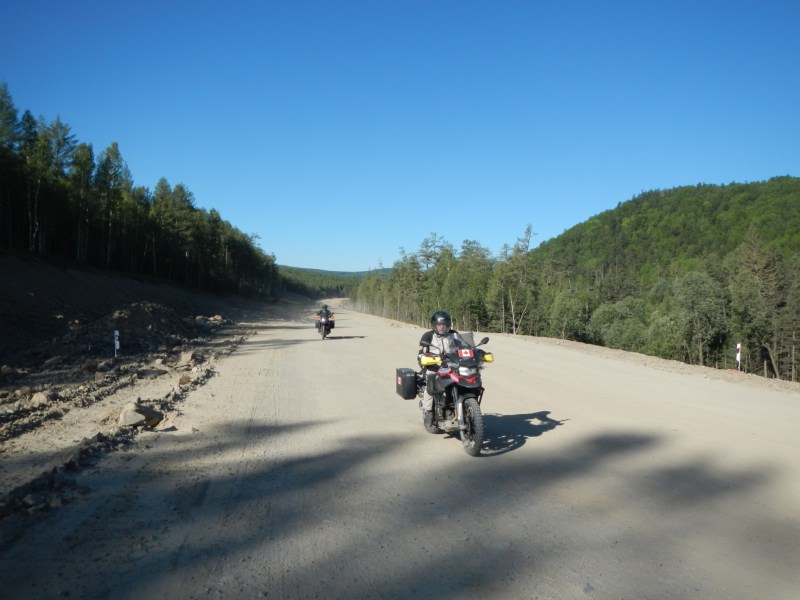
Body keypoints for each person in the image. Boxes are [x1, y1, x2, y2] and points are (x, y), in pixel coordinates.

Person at [417, 310, 462, 428]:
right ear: (434, 325)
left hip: (452, 366)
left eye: (445, 324)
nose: (442, 327)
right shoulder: (428, 336)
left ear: (448, 325)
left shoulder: (454, 334)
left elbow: (465, 347)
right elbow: (420, 353)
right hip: (435, 367)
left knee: (464, 380)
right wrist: (427, 359)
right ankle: (428, 412)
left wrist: (475, 352)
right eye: (439, 325)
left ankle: (461, 407)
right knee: (431, 384)